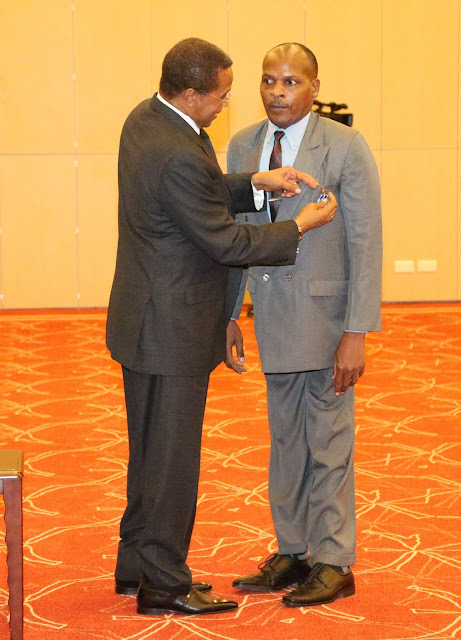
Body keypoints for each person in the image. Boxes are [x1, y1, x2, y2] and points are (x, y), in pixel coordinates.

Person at [105, 37, 338, 617]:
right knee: (172, 462)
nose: (227, 103)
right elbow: (225, 241)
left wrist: (255, 182)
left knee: (149, 453)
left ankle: (136, 565)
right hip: (173, 330)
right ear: (191, 93)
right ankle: (165, 583)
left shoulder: (147, 119)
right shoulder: (178, 150)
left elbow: (195, 190)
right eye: (221, 95)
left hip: (143, 320)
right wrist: (299, 226)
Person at [226, 42, 382, 607]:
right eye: (269, 80)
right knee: (286, 441)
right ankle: (293, 550)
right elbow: (234, 236)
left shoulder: (344, 146)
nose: (277, 92)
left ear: (314, 88)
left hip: (325, 324)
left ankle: (334, 559)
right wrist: (229, 313)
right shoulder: (243, 144)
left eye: (291, 82)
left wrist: (356, 332)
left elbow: (365, 244)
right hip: (270, 319)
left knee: (329, 443)